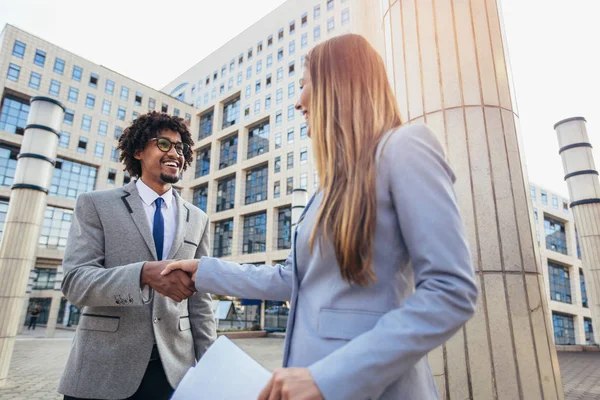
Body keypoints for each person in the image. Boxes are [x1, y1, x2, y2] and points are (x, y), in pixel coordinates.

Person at [164, 34, 478, 399]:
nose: (299, 102)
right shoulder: (328, 189)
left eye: (304, 86)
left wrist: (329, 378)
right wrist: (206, 271)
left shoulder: (406, 146)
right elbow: (291, 278)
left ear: (337, 83)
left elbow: (451, 290)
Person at [58, 112, 216, 400]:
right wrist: (142, 273)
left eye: (180, 147)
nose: (176, 154)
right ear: (138, 151)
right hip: (103, 369)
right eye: (164, 144)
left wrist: (210, 365)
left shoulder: (199, 218)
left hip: (173, 372)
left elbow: (200, 301)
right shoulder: (95, 205)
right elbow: (75, 282)